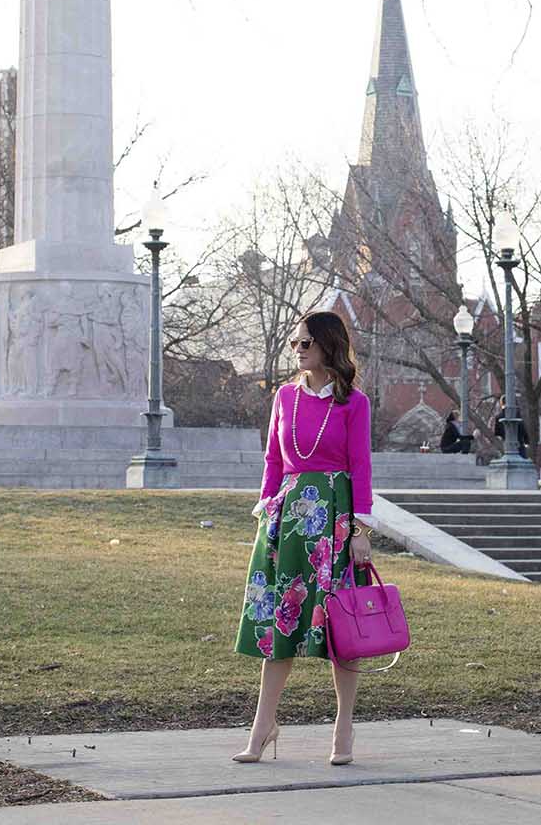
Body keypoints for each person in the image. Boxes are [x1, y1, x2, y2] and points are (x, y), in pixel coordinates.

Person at [234, 309, 372, 768]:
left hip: (333, 518)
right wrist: (266, 509)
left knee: (341, 628)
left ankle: (344, 727)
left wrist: (359, 530)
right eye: (294, 343)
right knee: (280, 627)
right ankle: (261, 729)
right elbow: (274, 459)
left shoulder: (354, 402)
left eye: (305, 343)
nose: (297, 350)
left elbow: (360, 468)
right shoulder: (284, 397)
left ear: (328, 346)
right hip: (287, 521)